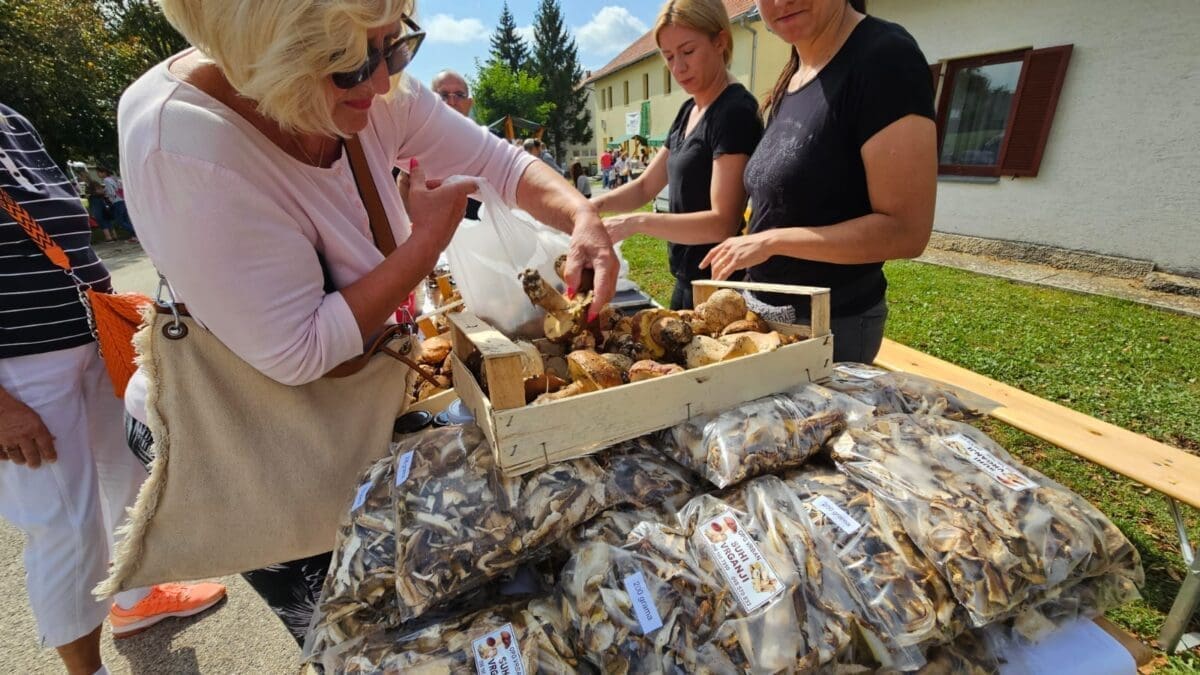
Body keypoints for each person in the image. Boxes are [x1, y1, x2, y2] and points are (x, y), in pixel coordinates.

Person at [118, 0, 617, 645]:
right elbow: (299, 349)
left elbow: (498, 163)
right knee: (360, 636)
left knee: (435, 597)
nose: (382, 82)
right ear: (275, 56)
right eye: (349, 63)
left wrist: (581, 216)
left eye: (394, 45)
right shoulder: (183, 145)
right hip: (258, 441)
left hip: (354, 409)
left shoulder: (370, 82)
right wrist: (423, 247)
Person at [0, 103, 225, 675]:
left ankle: (135, 599)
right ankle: (86, 670)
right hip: (17, 367)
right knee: (65, 526)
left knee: (129, 477)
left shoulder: (10, 121)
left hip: (89, 333)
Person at [699, 0, 936, 362]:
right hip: (769, 318)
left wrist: (770, 241)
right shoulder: (795, 73)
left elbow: (906, 231)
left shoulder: (885, 57)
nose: (781, 2)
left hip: (831, 326)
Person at [591, 0, 763, 309]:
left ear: (720, 41)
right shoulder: (689, 109)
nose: (678, 68)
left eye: (688, 52)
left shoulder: (735, 112)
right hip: (686, 280)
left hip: (719, 290)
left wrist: (636, 222)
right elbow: (645, 186)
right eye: (669, 57)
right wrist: (592, 206)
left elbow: (722, 223)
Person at [426, 69, 481, 220]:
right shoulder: (414, 145)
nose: (451, 102)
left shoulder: (489, 144)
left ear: (469, 103)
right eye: (443, 95)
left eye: (459, 95)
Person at [96, 167, 137, 243]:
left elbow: (111, 192)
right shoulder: (114, 178)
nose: (98, 174)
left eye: (99, 173)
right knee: (126, 219)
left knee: (120, 221)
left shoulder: (106, 180)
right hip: (122, 199)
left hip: (116, 201)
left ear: (104, 172)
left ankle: (136, 233)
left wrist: (105, 194)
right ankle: (134, 236)